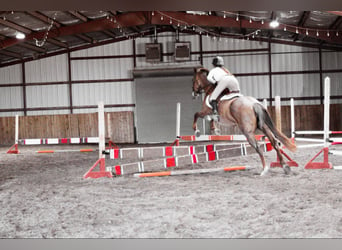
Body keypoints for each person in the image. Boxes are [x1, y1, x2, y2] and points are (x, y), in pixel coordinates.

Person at [207, 56, 240, 120]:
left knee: (212, 98)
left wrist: (215, 82)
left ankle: (215, 113)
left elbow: (209, 78)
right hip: (233, 79)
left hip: (224, 80)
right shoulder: (225, 69)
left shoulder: (213, 70)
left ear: (214, 64)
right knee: (237, 94)